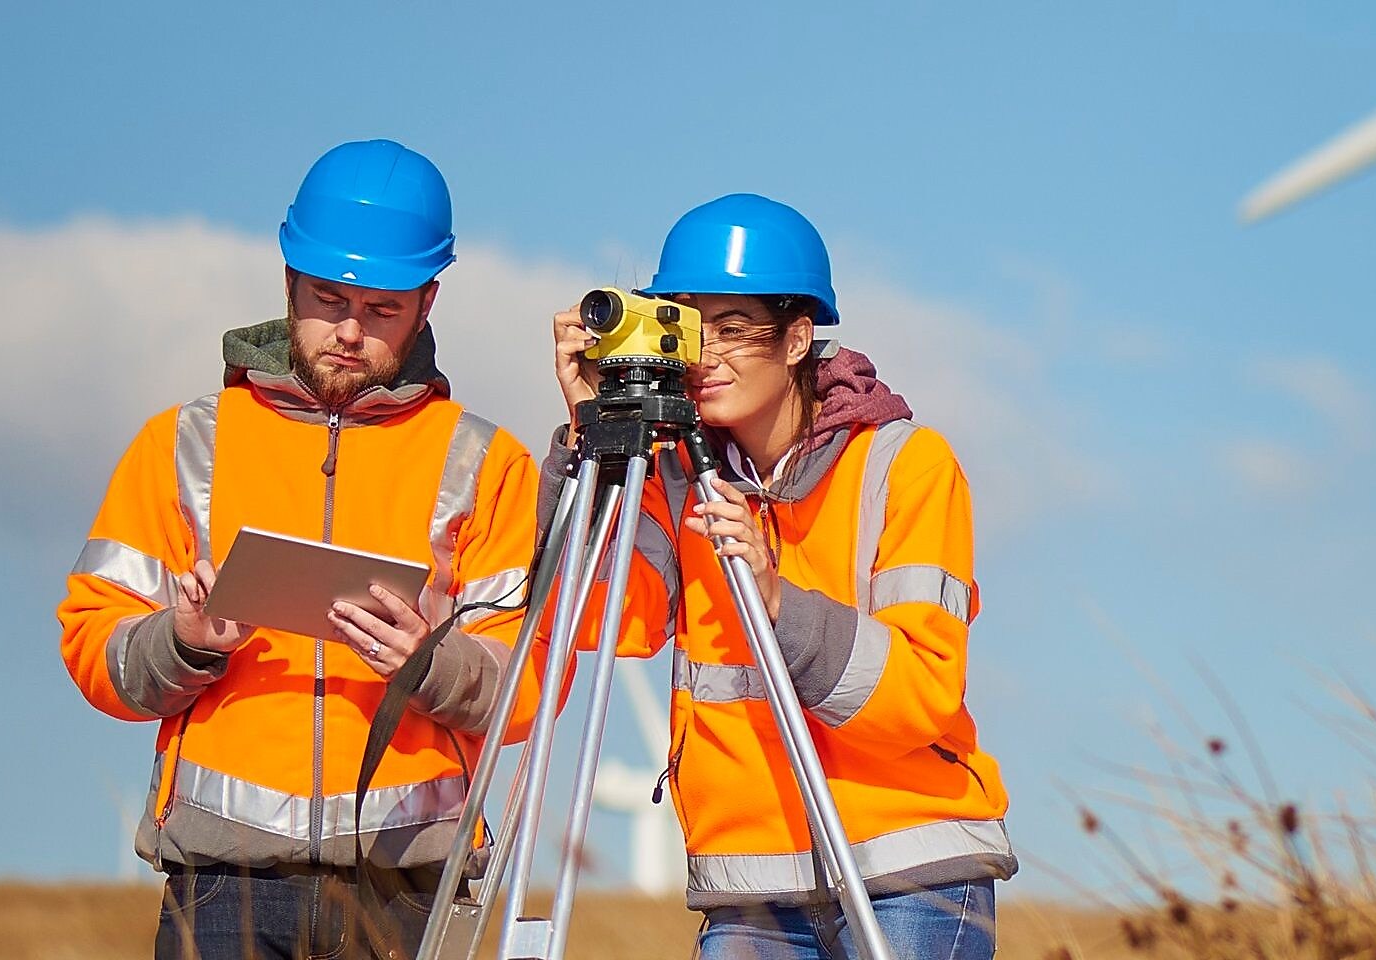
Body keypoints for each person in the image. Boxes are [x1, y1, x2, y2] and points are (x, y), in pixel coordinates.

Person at [58, 139, 543, 960]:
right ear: (288, 283)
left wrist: (433, 662)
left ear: (428, 302)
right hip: (220, 888)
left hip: (409, 891)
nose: (350, 332)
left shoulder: (487, 463)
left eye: (381, 309)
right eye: (328, 300)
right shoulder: (183, 443)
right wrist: (182, 643)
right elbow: (92, 648)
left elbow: (530, 685)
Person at [547, 194, 1013, 959]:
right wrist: (592, 437)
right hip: (752, 886)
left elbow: (922, 697)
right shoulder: (669, 477)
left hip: (909, 868)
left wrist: (777, 602)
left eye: (735, 329)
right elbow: (603, 621)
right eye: (695, 329)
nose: (710, 357)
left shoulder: (904, 465)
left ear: (798, 337)